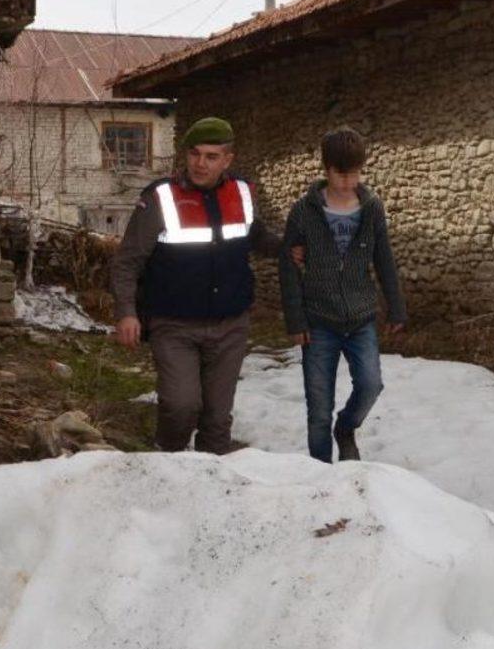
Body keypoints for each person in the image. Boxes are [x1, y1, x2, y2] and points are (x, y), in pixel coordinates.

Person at [111, 116, 279, 455]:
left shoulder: (242, 192)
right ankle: (166, 463)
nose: (201, 164)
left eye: (211, 156)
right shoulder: (161, 197)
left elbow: (256, 237)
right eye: (195, 154)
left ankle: (211, 489)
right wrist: (127, 312)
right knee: (181, 404)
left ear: (227, 159)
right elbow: (127, 260)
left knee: (217, 419)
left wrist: (290, 247)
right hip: (174, 325)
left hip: (230, 325)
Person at [279, 127, 407, 463]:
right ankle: (319, 474)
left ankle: (346, 428)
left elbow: (384, 260)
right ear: (326, 168)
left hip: (360, 318)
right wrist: (295, 319)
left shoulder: (371, 208)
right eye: (340, 173)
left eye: (354, 173)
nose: (347, 182)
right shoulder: (303, 212)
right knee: (318, 405)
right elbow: (288, 267)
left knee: (370, 385)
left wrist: (396, 308)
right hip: (318, 322)